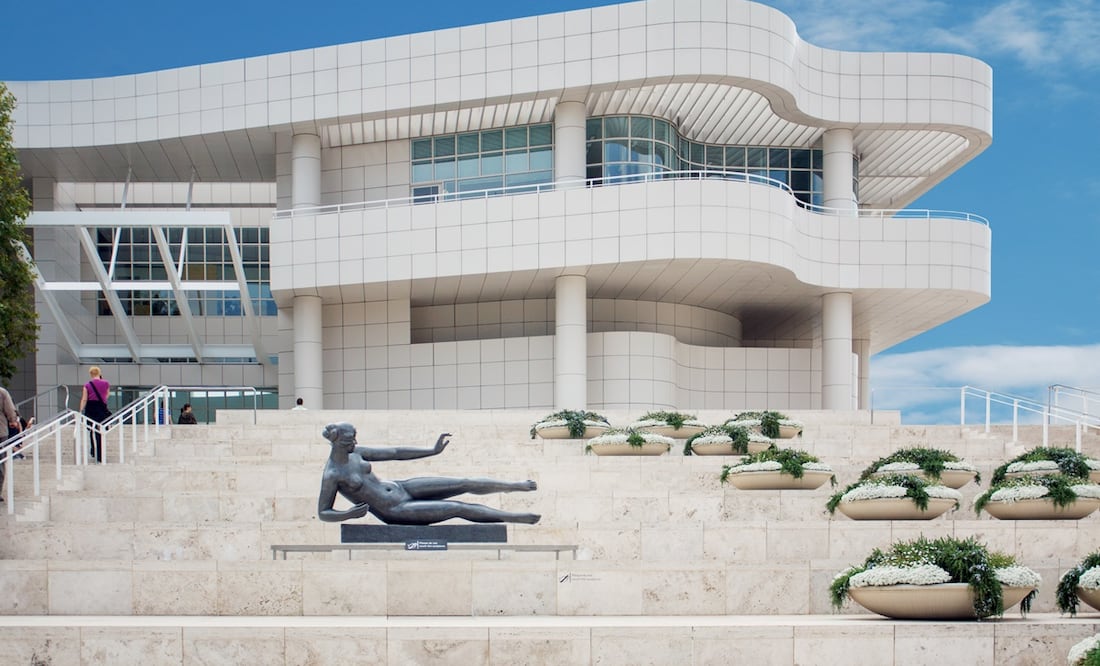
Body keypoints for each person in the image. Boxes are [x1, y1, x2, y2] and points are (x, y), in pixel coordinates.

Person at [317, 422, 540, 525]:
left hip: (401, 487)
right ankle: (514, 518)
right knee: (458, 508)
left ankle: (514, 486)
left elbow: (396, 452)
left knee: (463, 482)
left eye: (355, 437)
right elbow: (324, 512)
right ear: (336, 442)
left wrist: (431, 451)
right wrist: (347, 515)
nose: (354, 442)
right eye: (349, 439)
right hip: (395, 509)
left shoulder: (357, 452)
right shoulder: (333, 474)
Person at [78, 366, 110, 462]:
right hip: (101, 408)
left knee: (91, 429)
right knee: (100, 430)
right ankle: (100, 454)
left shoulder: (87, 385)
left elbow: (84, 399)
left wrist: (80, 410)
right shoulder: (106, 383)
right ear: (99, 373)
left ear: (91, 374)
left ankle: (93, 450)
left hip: (91, 408)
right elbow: (107, 395)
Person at [0, 387, 21, 500]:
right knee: (0, 462)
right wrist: (13, 421)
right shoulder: (2, 393)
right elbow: (9, 409)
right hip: (1, 432)